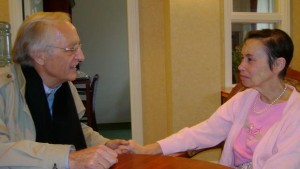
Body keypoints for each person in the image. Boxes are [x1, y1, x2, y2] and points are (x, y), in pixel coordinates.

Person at [120, 29, 300, 169]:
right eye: (242, 58)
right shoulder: (245, 99)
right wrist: (148, 149)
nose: (240, 66)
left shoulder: (296, 114)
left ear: (278, 65)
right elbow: (203, 132)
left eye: (250, 59)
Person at [0, 12, 128, 169]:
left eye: (79, 46)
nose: (81, 56)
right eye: (71, 49)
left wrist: (104, 145)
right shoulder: (4, 89)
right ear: (39, 56)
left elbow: (76, 129)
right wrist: (68, 159)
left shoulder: (65, 86)